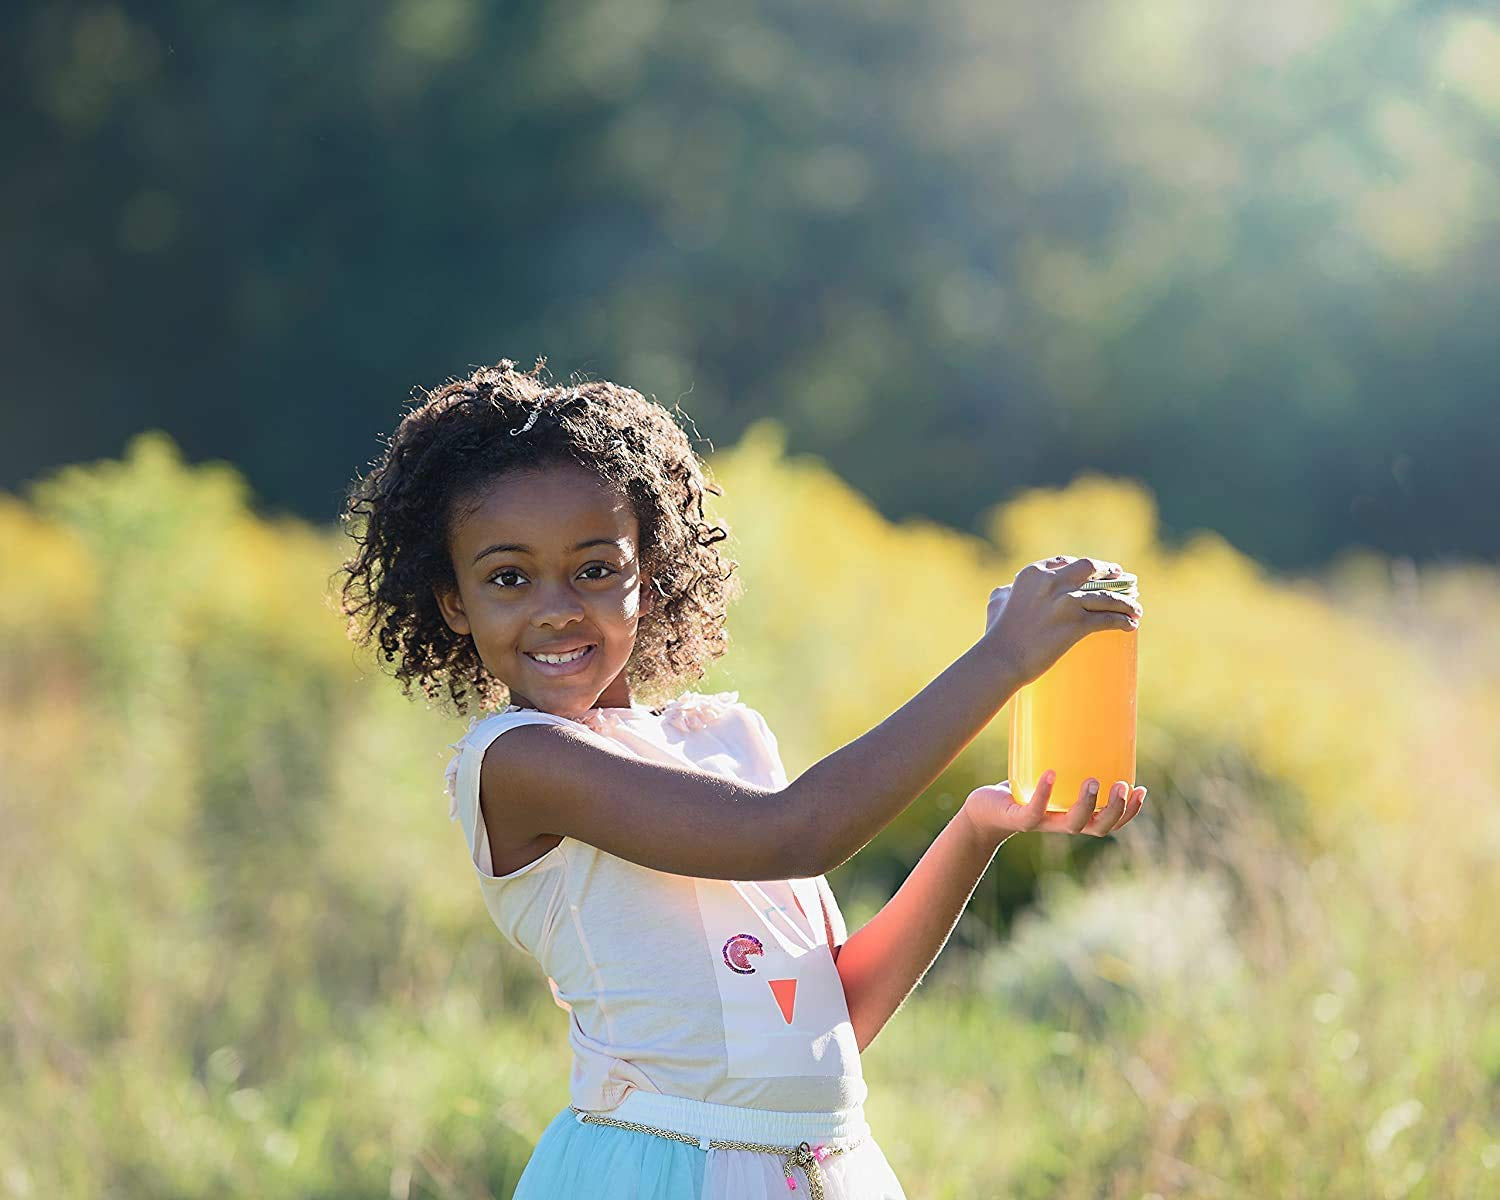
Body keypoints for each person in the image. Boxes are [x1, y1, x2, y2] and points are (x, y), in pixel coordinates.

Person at [337, 358, 1147, 1199]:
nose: (556, 607)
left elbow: (838, 1013)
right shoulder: (518, 762)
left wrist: (978, 825)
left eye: (595, 568)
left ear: (644, 576)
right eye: (508, 577)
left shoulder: (729, 740)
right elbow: (789, 831)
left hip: (825, 1169)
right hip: (656, 1170)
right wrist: (1002, 659)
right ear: (453, 601)